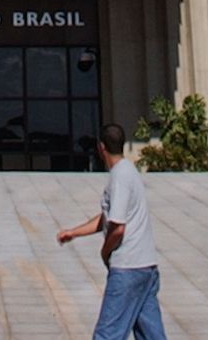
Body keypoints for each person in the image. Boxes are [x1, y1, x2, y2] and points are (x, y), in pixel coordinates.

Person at [57, 123, 166, 340]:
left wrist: (105, 252)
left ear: (101, 148)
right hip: (146, 267)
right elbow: (109, 218)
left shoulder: (119, 177)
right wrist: (74, 232)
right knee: (151, 335)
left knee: (107, 335)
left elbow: (117, 228)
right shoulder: (129, 171)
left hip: (128, 269)